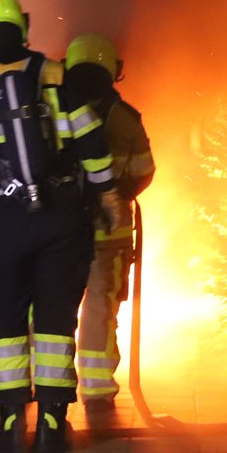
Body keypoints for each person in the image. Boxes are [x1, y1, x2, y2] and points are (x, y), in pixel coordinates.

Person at [0, 0, 123, 453]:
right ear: (22, 25)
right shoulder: (56, 75)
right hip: (62, 217)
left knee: (6, 319)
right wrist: (107, 194)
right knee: (56, 318)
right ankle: (53, 425)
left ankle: (8, 424)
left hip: (6, 221)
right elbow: (91, 140)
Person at [62, 33, 156, 419]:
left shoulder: (53, 112)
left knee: (55, 305)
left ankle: (50, 385)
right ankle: (97, 392)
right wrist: (118, 196)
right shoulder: (125, 119)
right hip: (109, 234)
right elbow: (145, 170)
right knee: (100, 309)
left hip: (61, 233)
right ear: (111, 70)